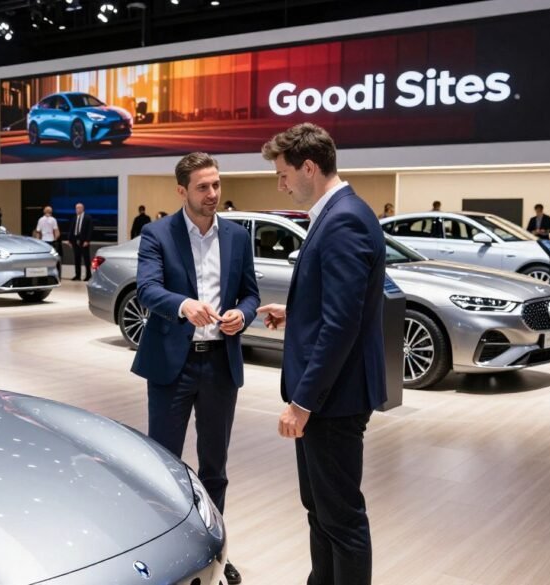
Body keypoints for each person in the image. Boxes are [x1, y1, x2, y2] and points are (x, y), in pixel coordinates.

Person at [257, 123, 386, 585]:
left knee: (341, 518)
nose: (281, 184)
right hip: (332, 396)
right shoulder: (338, 213)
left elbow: (342, 324)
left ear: (309, 167)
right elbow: (338, 305)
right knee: (320, 509)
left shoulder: (344, 219)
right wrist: (294, 313)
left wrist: (302, 402)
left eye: (283, 174)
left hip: (333, 399)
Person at [131, 152, 259, 585]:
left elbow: (250, 294)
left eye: (216, 184)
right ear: (181, 190)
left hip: (221, 364)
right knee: (163, 466)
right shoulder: (157, 233)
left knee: (214, 468)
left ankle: (214, 552)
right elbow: (147, 289)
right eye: (203, 187)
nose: (212, 194)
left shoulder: (237, 236)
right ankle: (164, 554)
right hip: (173, 365)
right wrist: (184, 305)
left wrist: (244, 314)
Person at [69, 202, 93, 281]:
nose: (77, 209)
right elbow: (72, 229)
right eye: (76, 208)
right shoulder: (74, 218)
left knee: (86, 259)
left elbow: (90, 230)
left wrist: (87, 240)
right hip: (75, 240)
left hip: (84, 240)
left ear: (82, 208)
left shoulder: (87, 217)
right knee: (77, 258)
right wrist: (70, 240)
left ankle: (88, 275)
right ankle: (77, 275)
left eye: (78, 208)